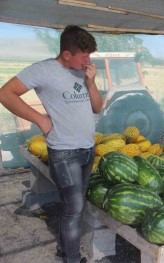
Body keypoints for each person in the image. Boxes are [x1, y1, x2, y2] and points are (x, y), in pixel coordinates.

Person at [0, 25, 102, 263]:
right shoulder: (44, 70)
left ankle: (64, 251)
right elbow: (5, 93)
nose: (88, 60)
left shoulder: (83, 72)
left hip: (87, 149)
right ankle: (72, 259)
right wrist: (40, 120)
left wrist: (92, 82)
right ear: (67, 53)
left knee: (74, 207)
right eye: (84, 55)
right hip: (65, 153)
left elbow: (97, 107)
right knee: (73, 209)